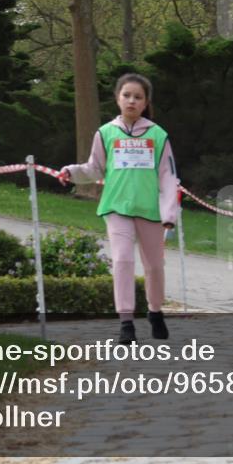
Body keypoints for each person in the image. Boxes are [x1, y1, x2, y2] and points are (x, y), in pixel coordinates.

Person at [59, 73, 179, 345]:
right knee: (123, 261)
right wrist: (71, 172)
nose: (131, 101)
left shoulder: (158, 135)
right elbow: (94, 169)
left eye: (138, 97)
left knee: (155, 267)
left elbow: (168, 177)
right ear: (117, 98)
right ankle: (126, 322)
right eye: (126, 96)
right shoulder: (106, 133)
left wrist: (169, 214)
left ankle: (155, 311)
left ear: (146, 102)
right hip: (116, 208)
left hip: (150, 211)